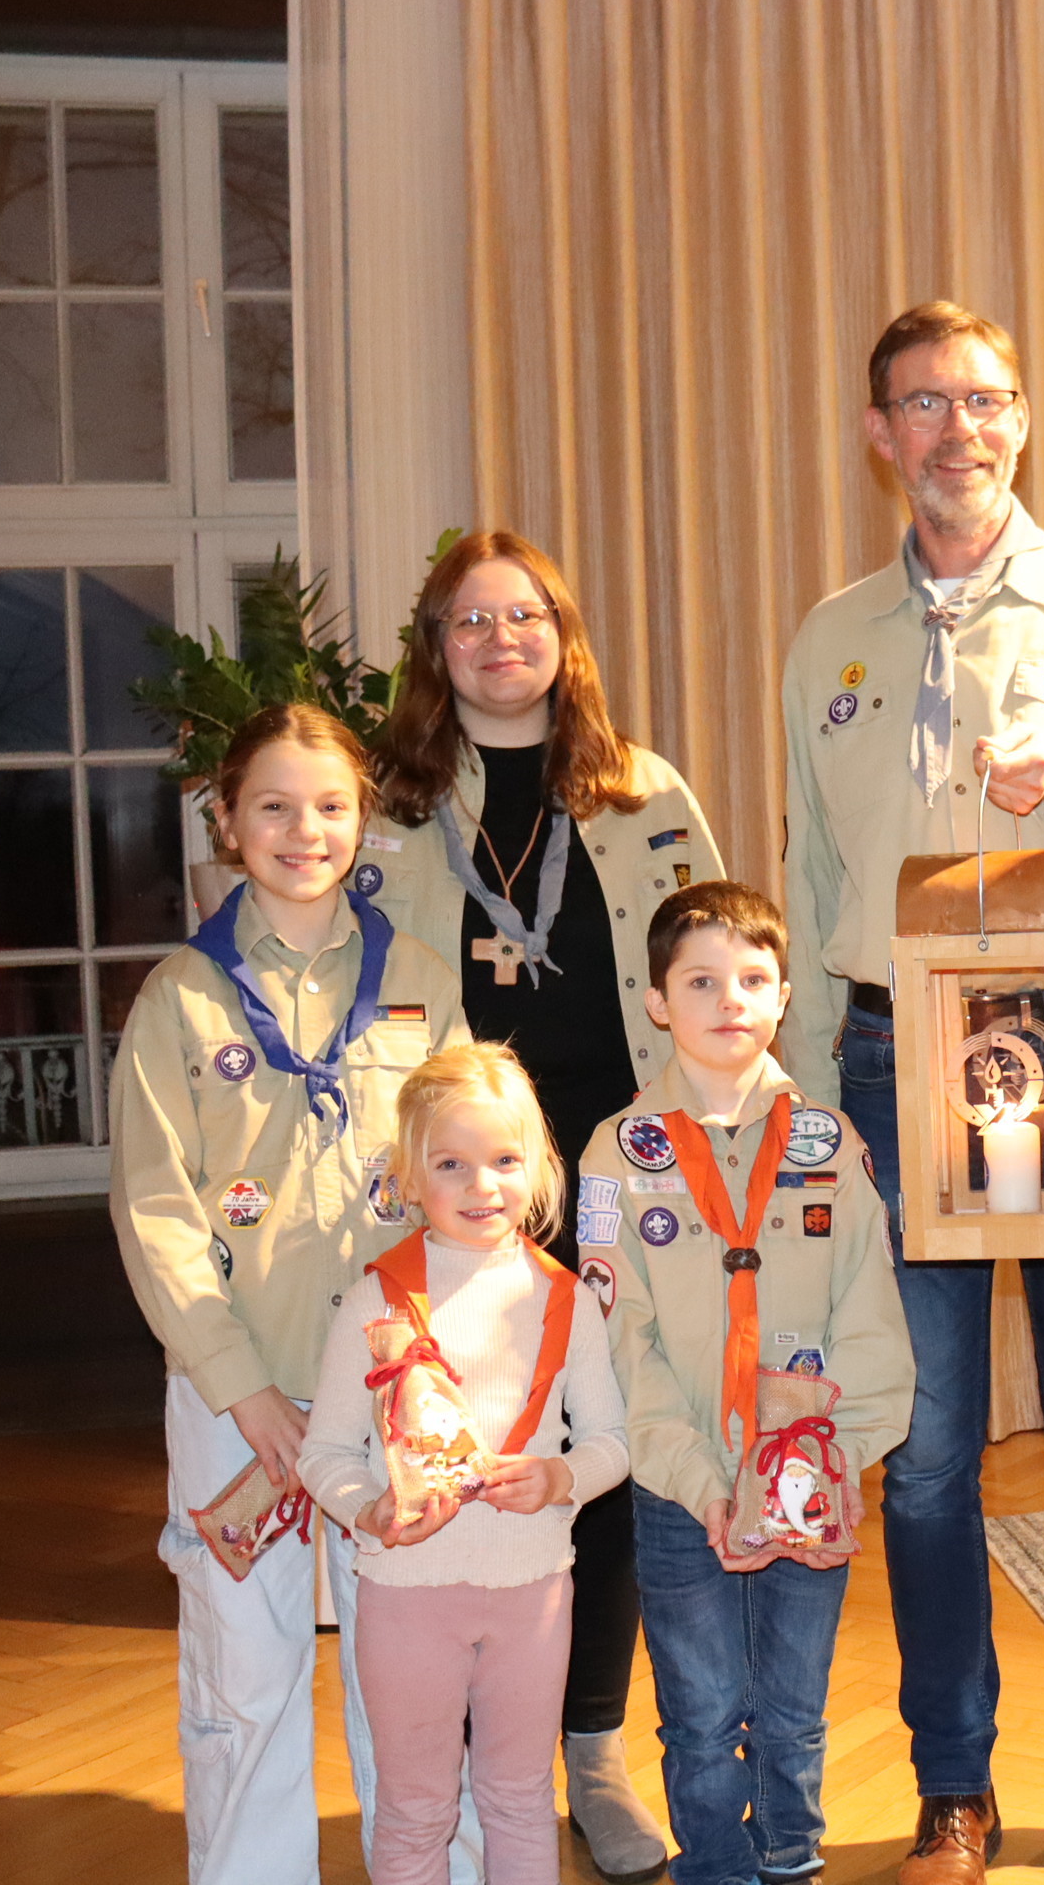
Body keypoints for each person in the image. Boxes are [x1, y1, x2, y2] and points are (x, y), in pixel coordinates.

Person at [777, 300, 1044, 1885]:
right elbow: (820, 880)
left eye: (990, 397)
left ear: (1023, 422)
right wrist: (813, 1104)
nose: (962, 427)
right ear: (880, 435)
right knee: (931, 1448)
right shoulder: (832, 636)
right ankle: (954, 1785)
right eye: (927, 403)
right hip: (895, 1065)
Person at [368, 528, 722, 1882]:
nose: (501, 640)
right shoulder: (391, 806)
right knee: (472, 1450)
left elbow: (714, 976)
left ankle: (593, 1751)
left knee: (606, 1465)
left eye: (526, 616)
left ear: (564, 636)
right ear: (436, 644)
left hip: (622, 1181)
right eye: (471, 619)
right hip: (469, 1191)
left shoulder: (642, 791)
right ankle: (468, 1756)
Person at [107, 702, 466, 1885]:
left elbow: (470, 1169)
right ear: (224, 819)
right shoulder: (181, 999)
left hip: (396, 1393)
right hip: (237, 1398)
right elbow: (157, 1213)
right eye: (272, 804)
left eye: (329, 805)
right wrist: (242, 1386)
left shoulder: (416, 979)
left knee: (411, 1681)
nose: (303, 830)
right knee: (245, 1682)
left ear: (362, 820)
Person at [588, 880, 913, 1885]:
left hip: (809, 1486)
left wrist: (829, 1455)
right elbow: (616, 1342)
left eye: (755, 978)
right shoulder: (613, 1155)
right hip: (681, 1488)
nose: (730, 998)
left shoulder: (831, 1145)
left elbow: (874, 1317)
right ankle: (717, 1868)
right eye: (700, 979)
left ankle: (791, 1861)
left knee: (792, 1702)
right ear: (656, 1001)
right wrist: (701, 1478)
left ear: (782, 997)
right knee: (698, 1706)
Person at [300, 1042, 631, 1885]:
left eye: (505, 1160)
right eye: (452, 1164)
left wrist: (560, 1479)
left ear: (538, 1168)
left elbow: (611, 1444)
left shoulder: (566, 1300)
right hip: (407, 1596)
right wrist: (368, 1507)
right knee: (416, 1811)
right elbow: (327, 1453)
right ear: (408, 1179)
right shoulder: (376, 1300)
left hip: (534, 1597)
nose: (483, 1186)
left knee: (521, 1799)